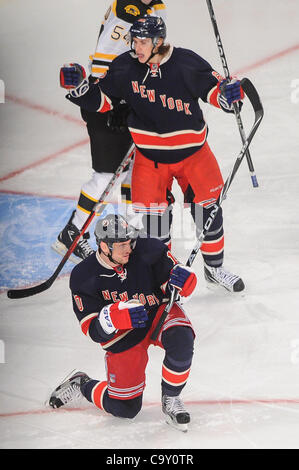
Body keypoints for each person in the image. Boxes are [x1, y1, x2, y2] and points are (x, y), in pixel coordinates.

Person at [59, 15, 245, 293]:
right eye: (134, 40)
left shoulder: (185, 62)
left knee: (209, 213)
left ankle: (214, 269)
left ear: (159, 41)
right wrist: (78, 88)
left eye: (142, 41)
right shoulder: (124, 67)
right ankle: (165, 278)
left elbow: (215, 92)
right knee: (157, 227)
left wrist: (230, 97)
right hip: (150, 161)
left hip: (194, 156)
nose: (136, 46)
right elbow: (102, 101)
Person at [48, 213, 197, 432]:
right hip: (123, 334)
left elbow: (174, 282)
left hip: (157, 312)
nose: (128, 249)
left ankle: (171, 399)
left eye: (129, 242)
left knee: (182, 339)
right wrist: (112, 319)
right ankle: (82, 384)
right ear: (104, 246)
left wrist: (186, 282)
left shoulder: (149, 250)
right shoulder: (84, 276)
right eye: (121, 245)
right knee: (124, 408)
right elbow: (92, 330)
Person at [52, 1, 167, 263]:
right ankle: (72, 233)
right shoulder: (128, 10)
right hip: (109, 103)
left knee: (134, 170)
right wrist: (116, 102)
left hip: (129, 100)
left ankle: (130, 234)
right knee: (106, 176)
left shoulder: (152, 6)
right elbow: (104, 66)